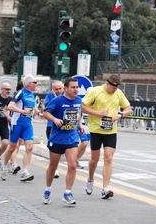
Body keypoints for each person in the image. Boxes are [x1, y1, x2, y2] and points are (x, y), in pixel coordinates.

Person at [82, 74, 132, 199]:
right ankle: (91, 179)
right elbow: (82, 107)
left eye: (117, 88)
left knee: (108, 158)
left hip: (110, 131)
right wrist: (98, 113)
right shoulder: (95, 92)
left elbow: (128, 109)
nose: (115, 90)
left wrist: (120, 115)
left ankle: (105, 188)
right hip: (96, 130)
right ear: (107, 83)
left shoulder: (118, 93)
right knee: (95, 159)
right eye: (113, 88)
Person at [42, 77, 84, 205]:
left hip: (71, 137)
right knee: (53, 166)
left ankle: (67, 193)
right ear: (66, 88)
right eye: (73, 87)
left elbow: (78, 114)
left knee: (72, 165)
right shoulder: (58, 100)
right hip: (57, 138)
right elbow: (45, 113)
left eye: (77, 87)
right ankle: (48, 189)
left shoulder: (79, 101)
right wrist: (54, 119)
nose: (76, 89)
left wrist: (80, 124)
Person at [0, 74, 39, 181]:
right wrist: (22, 111)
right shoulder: (20, 93)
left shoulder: (33, 94)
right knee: (12, 147)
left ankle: (25, 172)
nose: (37, 84)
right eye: (35, 82)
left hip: (28, 124)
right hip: (17, 124)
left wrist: (38, 112)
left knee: (29, 147)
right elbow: (10, 106)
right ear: (29, 84)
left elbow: (33, 106)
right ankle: (4, 167)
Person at [43, 80, 64, 178]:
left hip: (64, 127)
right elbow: (47, 109)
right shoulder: (49, 95)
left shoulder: (66, 96)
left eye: (60, 89)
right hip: (51, 126)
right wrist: (56, 99)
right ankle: (54, 168)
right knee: (53, 149)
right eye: (56, 89)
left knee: (61, 149)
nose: (59, 91)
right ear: (52, 89)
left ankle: (55, 167)